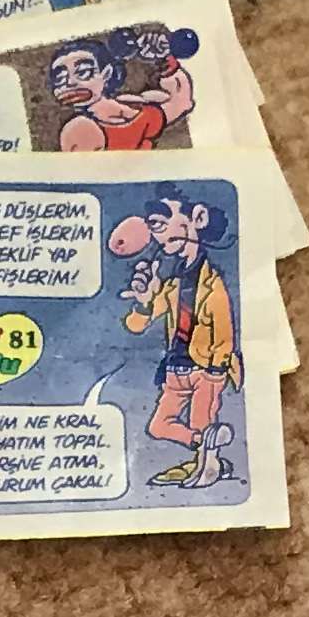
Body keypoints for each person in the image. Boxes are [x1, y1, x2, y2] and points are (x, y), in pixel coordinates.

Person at [114, 187, 239, 488]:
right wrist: (144, 301)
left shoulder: (213, 284)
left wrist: (216, 367)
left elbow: (224, 329)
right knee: (159, 426)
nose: (157, 233)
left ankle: (206, 466)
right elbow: (136, 325)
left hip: (205, 370)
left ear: (197, 218)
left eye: (161, 222)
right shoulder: (172, 286)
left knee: (201, 420)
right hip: (174, 371)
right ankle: (208, 449)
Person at [45, 29, 191, 152]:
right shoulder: (80, 129)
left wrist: (164, 57)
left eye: (83, 72)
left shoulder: (135, 104)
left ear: (107, 73)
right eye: (60, 78)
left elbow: (181, 103)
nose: (70, 83)